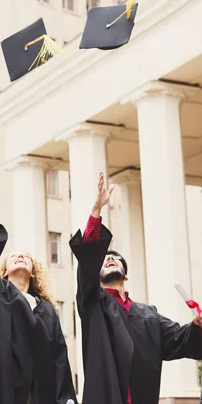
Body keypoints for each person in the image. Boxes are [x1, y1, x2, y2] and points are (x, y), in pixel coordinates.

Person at [70, 172, 202, 404]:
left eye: (115, 258)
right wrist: (96, 210)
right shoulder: (93, 304)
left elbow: (178, 340)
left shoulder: (148, 315)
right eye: (104, 259)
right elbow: (87, 264)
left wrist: (197, 326)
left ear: (126, 275)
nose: (109, 260)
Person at [0, 168, 76, 404]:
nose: (20, 257)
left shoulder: (47, 309)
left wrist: (67, 400)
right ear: (5, 270)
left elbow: (59, 355)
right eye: (14, 256)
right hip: (3, 388)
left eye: (26, 257)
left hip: (38, 392)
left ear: (34, 271)